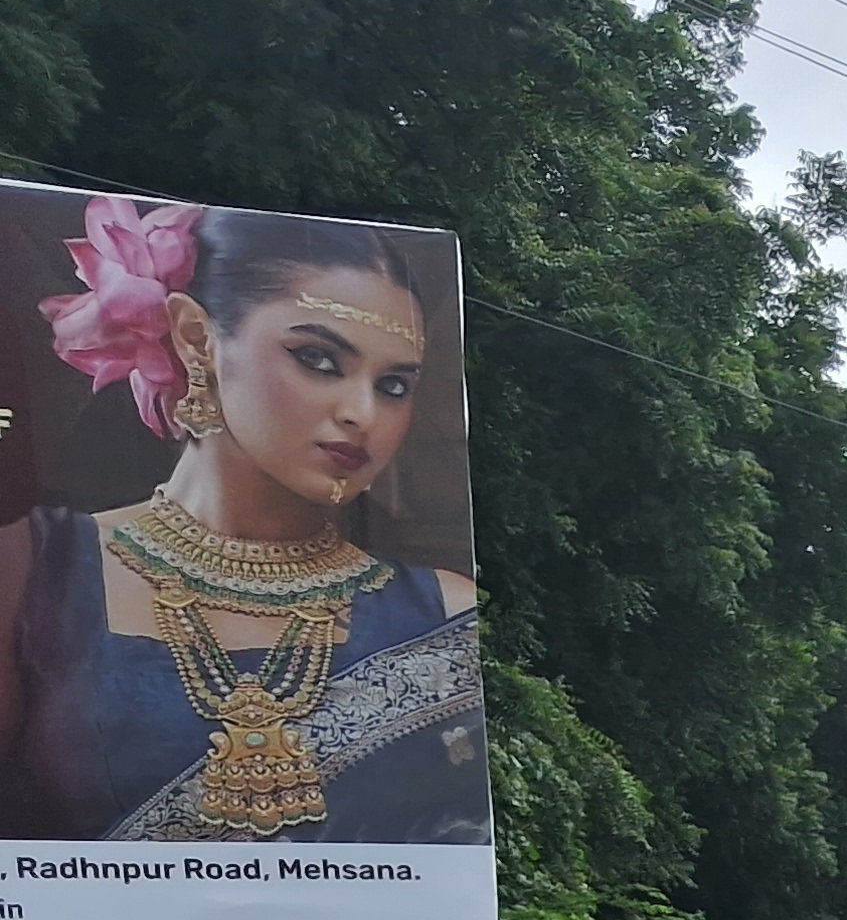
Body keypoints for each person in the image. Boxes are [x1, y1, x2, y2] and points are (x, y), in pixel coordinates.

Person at [1, 198, 486, 843]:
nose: (362, 413)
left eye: (394, 385)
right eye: (318, 359)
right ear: (197, 338)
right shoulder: (32, 569)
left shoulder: (445, 613)